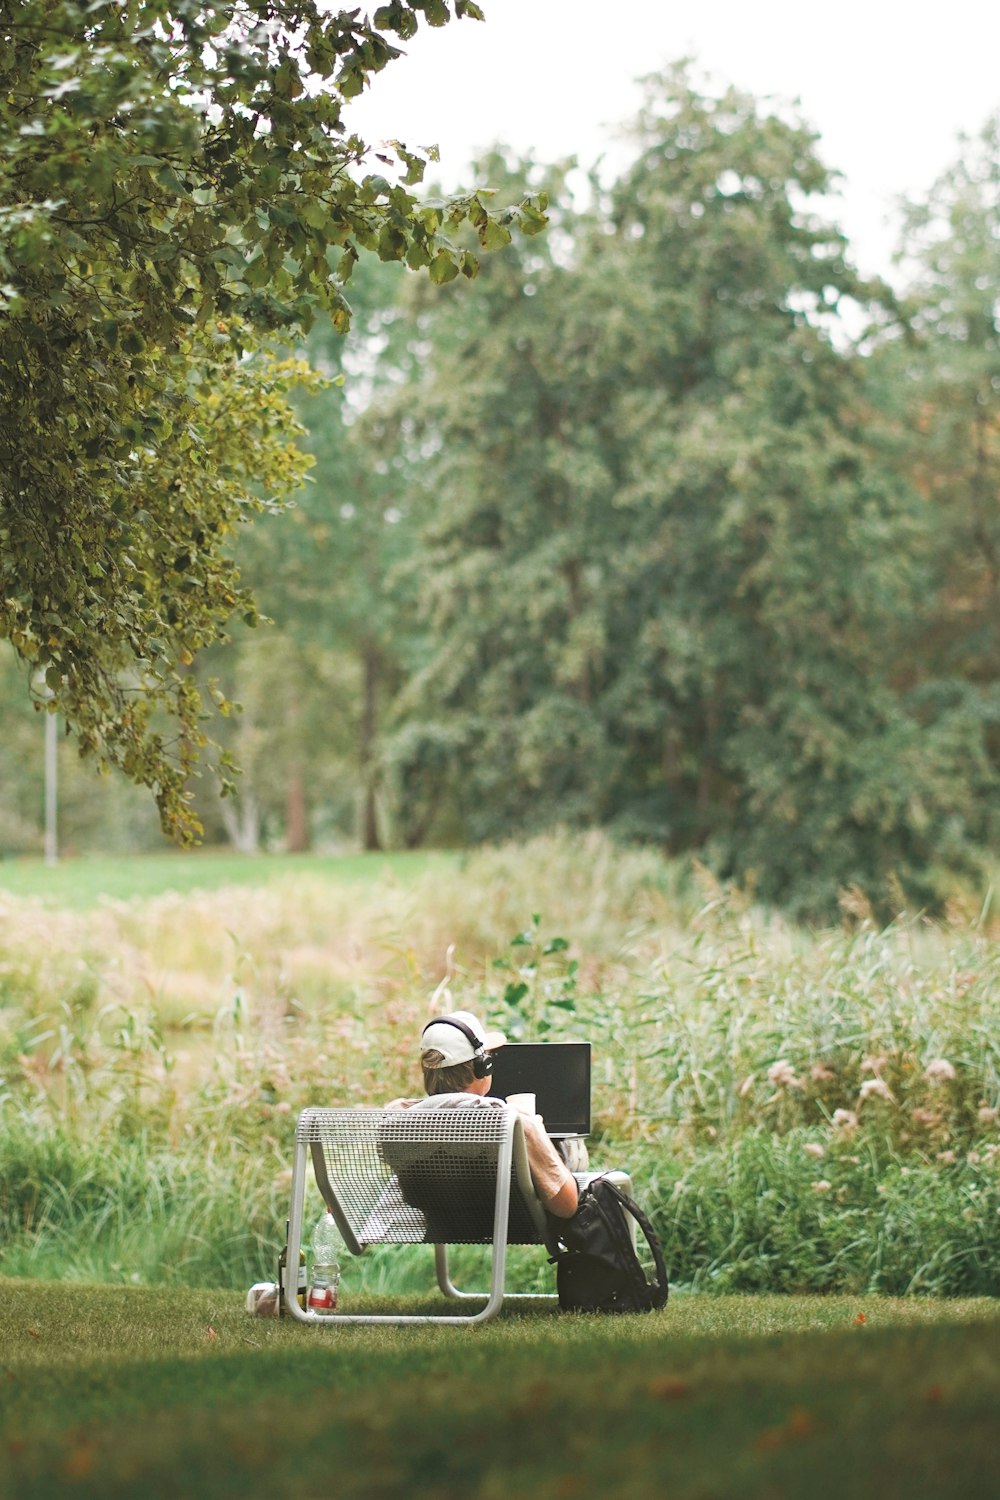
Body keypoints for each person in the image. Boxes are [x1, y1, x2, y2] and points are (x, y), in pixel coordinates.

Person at [385, 1008, 580, 1219]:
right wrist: (536, 1130)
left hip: (444, 1223)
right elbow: (567, 1207)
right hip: (515, 1222)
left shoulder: (398, 1122)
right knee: (570, 1147)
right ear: (482, 1068)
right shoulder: (511, 1123)